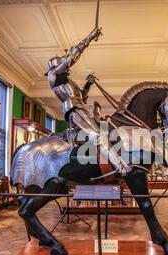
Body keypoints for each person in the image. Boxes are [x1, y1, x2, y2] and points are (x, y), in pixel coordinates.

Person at [45, 27, 131, 177]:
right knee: (98, 135)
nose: (66, 67)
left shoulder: (68, 82)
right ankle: (120, 166)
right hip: (74, 110)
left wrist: (88, 84)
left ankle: (111, 164)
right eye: (63, 65)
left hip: (79, 108)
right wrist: (90, 37)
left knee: (102, 132)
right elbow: (71, 58)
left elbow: (82, 98)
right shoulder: (53, 75)